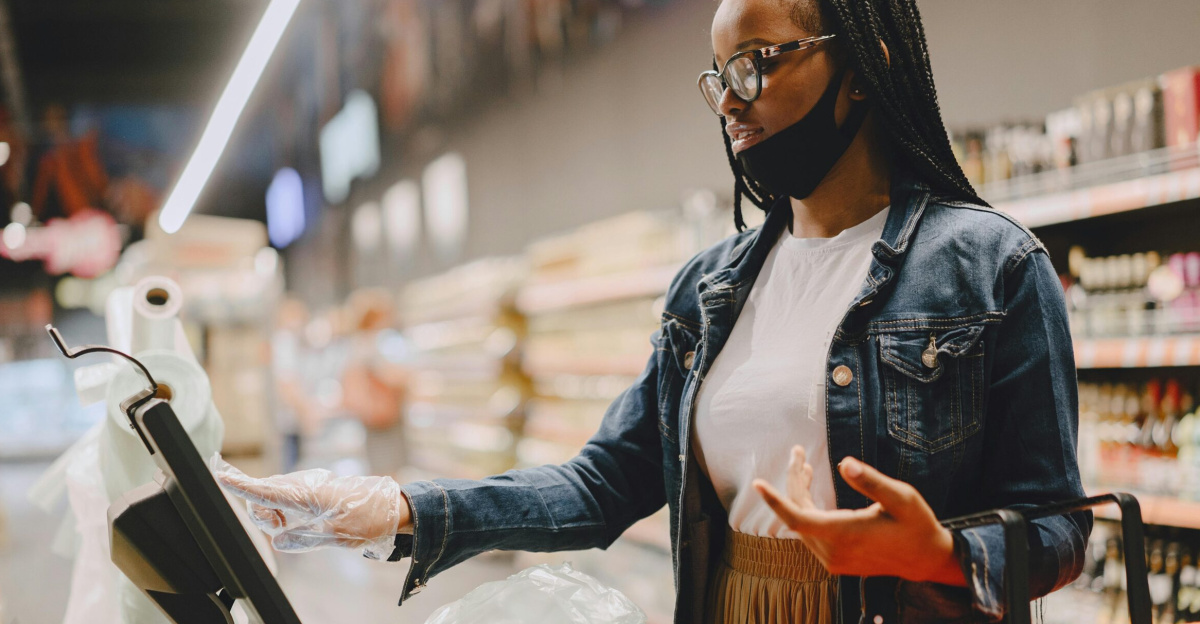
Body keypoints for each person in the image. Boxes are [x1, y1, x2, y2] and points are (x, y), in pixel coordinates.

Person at [215, 1, 1091, 622]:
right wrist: (400, 507)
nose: (732, 101)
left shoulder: (991, 268)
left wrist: (936, 554)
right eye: (718, 77)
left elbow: (1058, 529)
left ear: (863, 67)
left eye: (757, 61)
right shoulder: (706, 295)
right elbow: (601, 485)